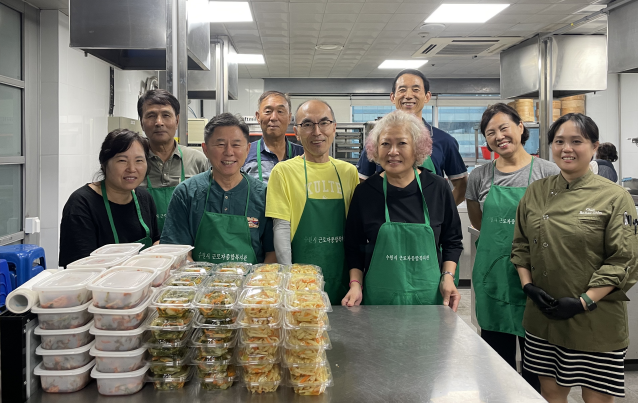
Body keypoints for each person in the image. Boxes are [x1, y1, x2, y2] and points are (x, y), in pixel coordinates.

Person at [512, 113, 638, 403]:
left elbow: (624, 260)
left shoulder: (615, 197)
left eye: (576, 141)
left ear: (594, 147)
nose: (566, 148)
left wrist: (584, 300)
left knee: (596, 399)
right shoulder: (536, 192)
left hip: (596, 321)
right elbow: (520, 245)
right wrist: (527, 286)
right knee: (551, 394)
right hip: (544, 317)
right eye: (559, 141)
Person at [466, 103, 559, 391]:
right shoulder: (480, 176)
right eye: (490, 132)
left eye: (503, 127)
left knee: (537, 366)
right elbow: (479, 222)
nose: (498, 136)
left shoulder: (548, 172)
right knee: (495, 364)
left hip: (538, 279)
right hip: (494, 279)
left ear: (520, 127)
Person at [342, 110, 463, 308]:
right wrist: (355, 284)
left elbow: (452, 241)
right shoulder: (365, 192)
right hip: (380, 300)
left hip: (430, 298)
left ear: (417, 148)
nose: (393, 152)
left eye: (402, 143)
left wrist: (448, 277)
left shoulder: (438, 188)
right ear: (375, 149)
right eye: (385, 144)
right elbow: (353, 246)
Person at [266, 99, 359, 304]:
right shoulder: (283, 171)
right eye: (307, 124)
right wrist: (288, 277)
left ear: (334, 127)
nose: (317, 131)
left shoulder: (348, 172)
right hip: (300, 283)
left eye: (324, 123)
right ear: (297, 132)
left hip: (343, 279)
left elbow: (356, 232)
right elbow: (281, 228)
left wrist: (355, 281)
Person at [161, 113, 276, 264]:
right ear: (205, 149)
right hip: (198, 283)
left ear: (248, 149)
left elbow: (272, 253)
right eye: (220, 144)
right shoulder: (186, 193)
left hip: (250, 284)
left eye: (236, 144)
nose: (229, 152)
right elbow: (177, 250)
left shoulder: (264, 195)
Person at [356, 69, 468, 206]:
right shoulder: (377, 139)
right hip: (385, 221)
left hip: (429, 225)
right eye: (402, 90)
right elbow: (362, 183)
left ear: (427, 96)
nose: (408, 95)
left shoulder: (445, 141)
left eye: (416, 89)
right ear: (392, 97)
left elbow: (461, 185)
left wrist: (441, 212)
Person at [59, 129, 160, 267]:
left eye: (139, 160)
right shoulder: (81, 204)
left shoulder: (144, 198)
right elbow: (77, 265)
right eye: (122, 160)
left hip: (141, 282)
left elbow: (155, 240)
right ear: (104, 163)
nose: (132, 168)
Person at [137, 89, 209, 232]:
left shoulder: (197, 160)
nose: (159, 122)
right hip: (145, 248)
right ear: (141, 123)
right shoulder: (134, 163)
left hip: (189, 244)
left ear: (176, 120)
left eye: (166, 115)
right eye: (151, 115)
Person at [243, 91, 304, 183]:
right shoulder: (244, 154)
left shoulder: (303, 154)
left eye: (280, 111)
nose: (274, 117)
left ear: (289, 117)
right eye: (268, 111)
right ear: (258, 117)